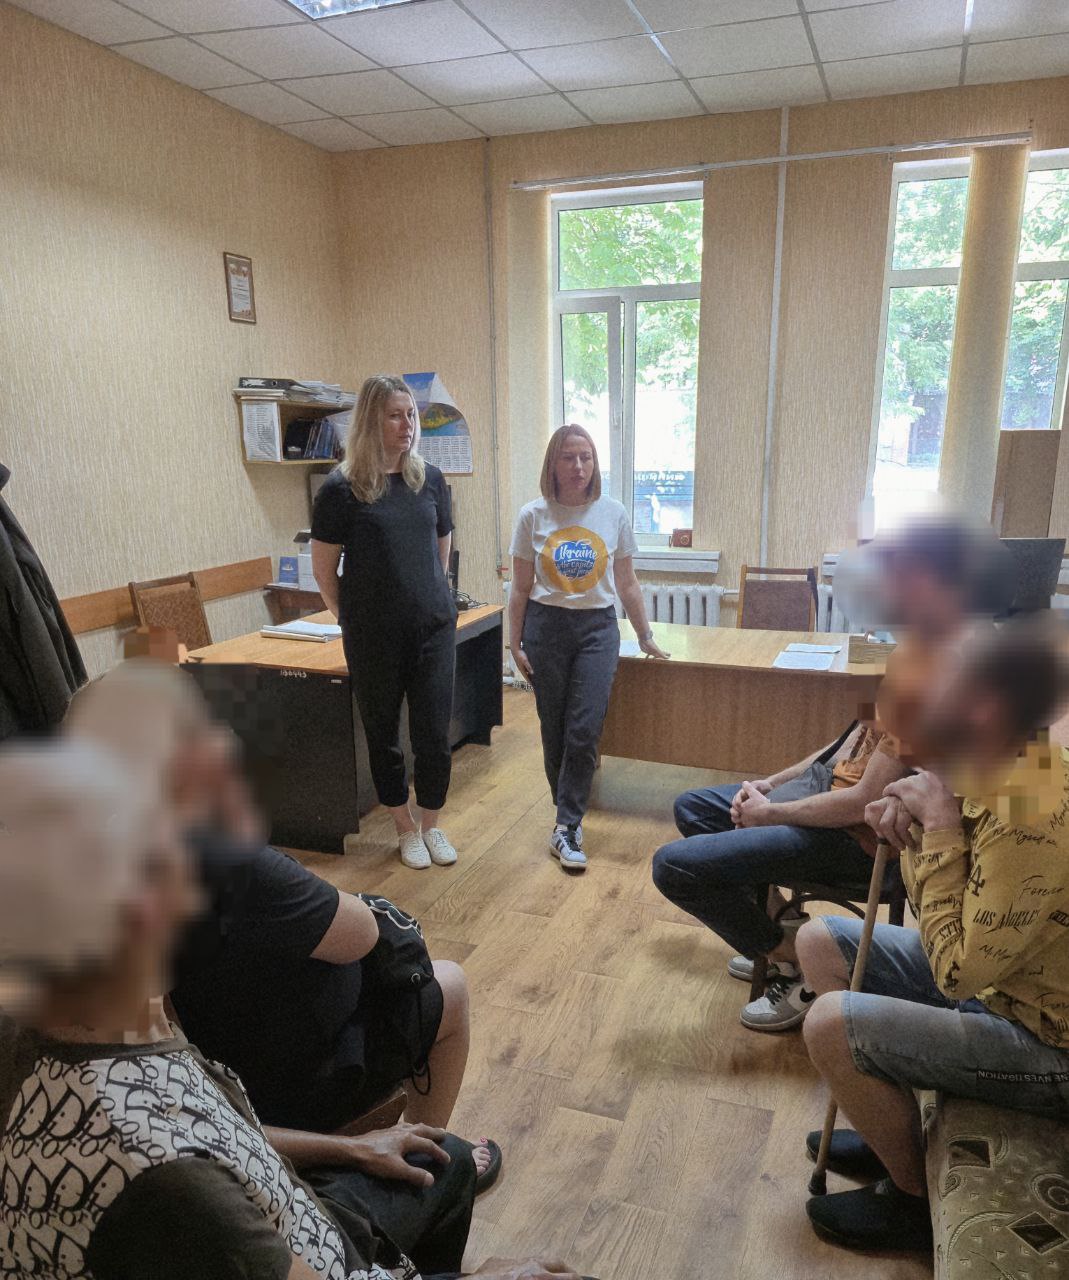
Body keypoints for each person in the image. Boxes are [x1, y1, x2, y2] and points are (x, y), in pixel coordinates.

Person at [0, 740, 591, 1280]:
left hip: (288, 1206)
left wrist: (354, 1148)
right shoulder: (164, 1177)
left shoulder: (96, 1038)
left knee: (447, 1158)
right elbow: (359, 934)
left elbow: (225, 1134)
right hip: (314, 1247)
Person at [65, 661, 498, 1185]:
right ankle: (432, 1170)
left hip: (208, 1068)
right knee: (449, 986)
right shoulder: (217, 858)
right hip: (278, 1084)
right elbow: (359, 933)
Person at [651, 513, 1015, 1032]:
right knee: (694, 808)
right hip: (830, 797)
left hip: (857, 838)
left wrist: (769, 813)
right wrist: (772, 783)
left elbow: (861, 801)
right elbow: (848, 742)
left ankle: (791, 957)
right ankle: (785, 937)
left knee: (674, 867)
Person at [798, 617, 1069, 1253]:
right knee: (819, 943)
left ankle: (911, 1200)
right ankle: (889, 1131)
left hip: (1046, 1038)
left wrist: (937, 829)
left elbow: (955, 974)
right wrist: (916, 831)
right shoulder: (989, 766)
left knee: (829, 1024)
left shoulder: (1035, 802)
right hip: (1002, 986)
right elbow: (947, 904)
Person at [311, 375, 459, 871]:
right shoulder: (341, 488)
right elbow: (324, 571)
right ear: (370, 422)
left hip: (433, 629)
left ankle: (432, 824)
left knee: (433, 733)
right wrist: (351, 619)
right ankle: (404, 827)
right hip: (374, 637)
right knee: (384, 735)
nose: (406, 425)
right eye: (395, 415)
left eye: (411, 415)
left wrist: (426, 600)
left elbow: (440, 555)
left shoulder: (430, 479)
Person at [508, 424, 668, 872]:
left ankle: (566, 825)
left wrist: (645, 635)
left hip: (597, 629)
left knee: (584, 727)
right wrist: (513, 643)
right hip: (546, 628)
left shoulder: (613, 513)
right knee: (554, 728)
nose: (579, 466)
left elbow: (627, 582)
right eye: (568, 457)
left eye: (586, 457)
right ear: (553, 464)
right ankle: (566, 811)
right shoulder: (532, 516)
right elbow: (519, 588)